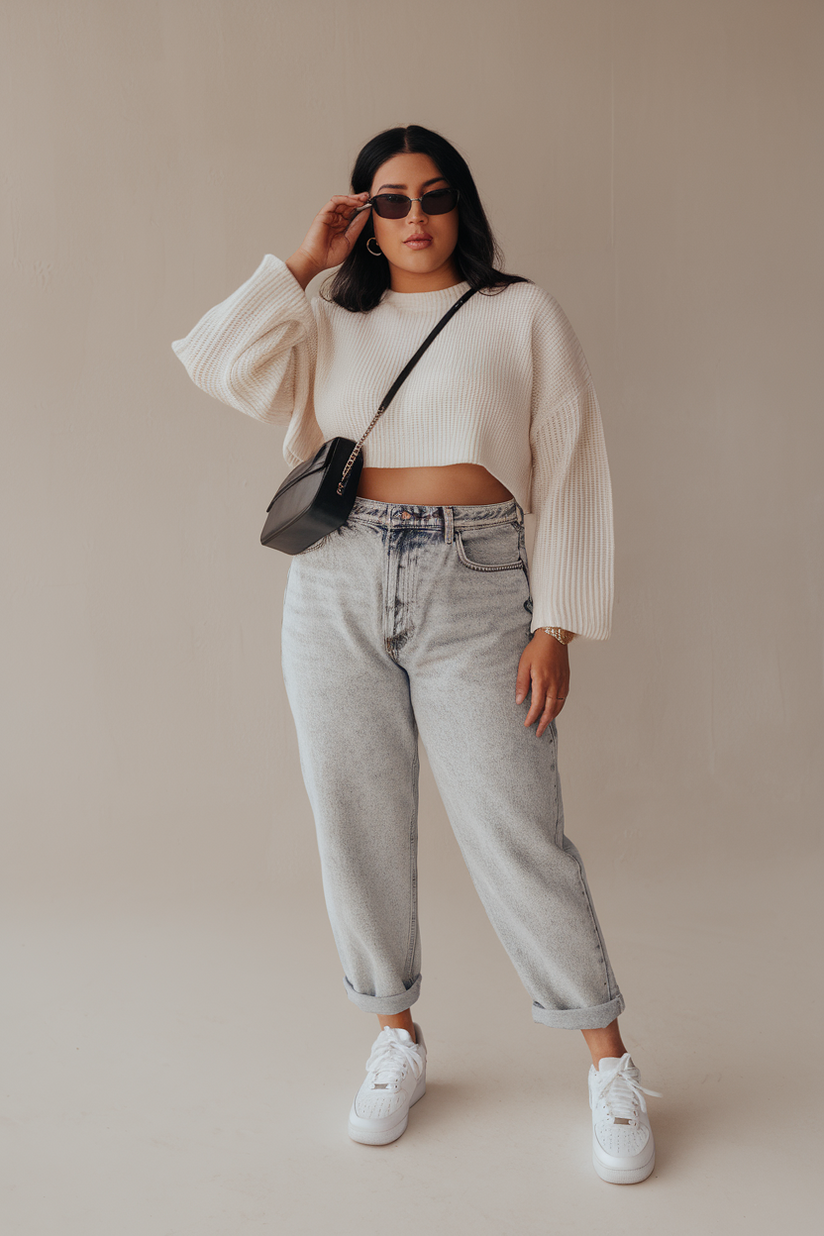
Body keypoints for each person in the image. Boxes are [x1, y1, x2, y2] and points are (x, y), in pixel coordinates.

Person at [171, 124, 659, 1184]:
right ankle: (394, 1037)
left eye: (432, 196)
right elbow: (210, 360)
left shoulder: (516, 312)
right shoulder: (322, 318)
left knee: (517, 826)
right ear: (361, 215)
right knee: (354, 815)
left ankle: (606, 1061)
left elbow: (571, 466)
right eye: (386, 202)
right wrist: (300, 263)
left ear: (461, 206)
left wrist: (555, 622)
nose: (413, 218)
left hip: (477, 583)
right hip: (333, 582)